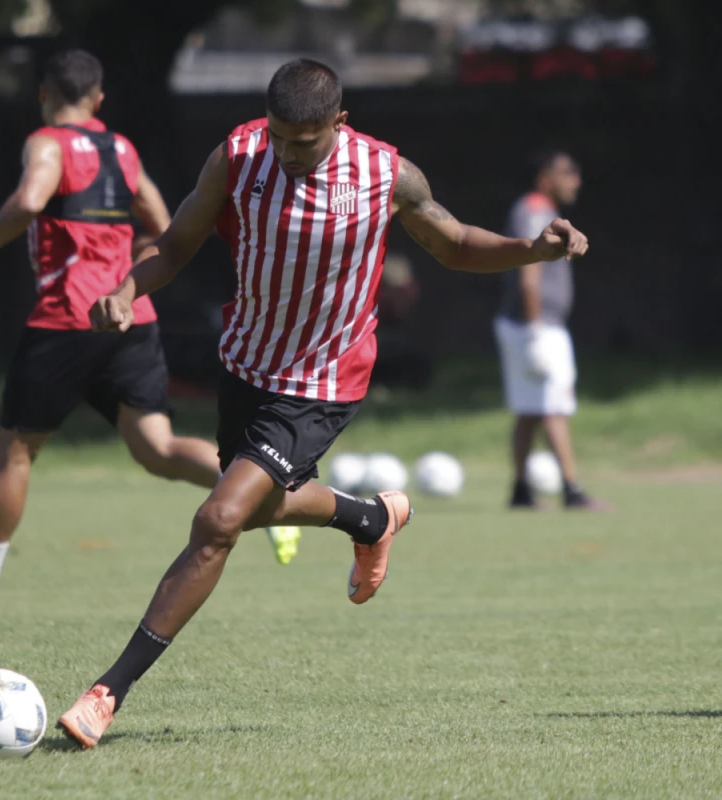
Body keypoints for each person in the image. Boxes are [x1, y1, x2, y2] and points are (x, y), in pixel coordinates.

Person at [56, 59, 589, 748]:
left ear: (340, 124)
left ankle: (107, 692)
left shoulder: (385, 174)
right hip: (248, 365)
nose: (288, 153)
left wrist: (531, 251)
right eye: (280, 137)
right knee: (261, 506)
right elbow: (179, 243)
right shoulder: (239, 155)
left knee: (219, 517)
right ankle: (371, 518)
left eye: (303, 143)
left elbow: (453, 244)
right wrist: (130, 289)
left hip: (324, 379)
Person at [0, 50, 302, 625]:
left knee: (14, 450)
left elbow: (28, 199)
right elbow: (162, 220)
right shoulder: (121, 150)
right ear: (98, 100)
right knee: (160, 449)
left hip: (66, 320)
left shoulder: (46, 142)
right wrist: (131, 266)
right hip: (130, 318)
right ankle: (260, 498)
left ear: (44, 92)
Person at [494, 152, 606, 510]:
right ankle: (572, 490)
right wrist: (536, 329)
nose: (576, 180)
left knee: (529, 410)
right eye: (568, 173)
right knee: (553, 407)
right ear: (545, 177)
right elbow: (530, 274)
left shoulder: (536, 209)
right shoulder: (536, 210)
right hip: (536, 326)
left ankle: (520, 490)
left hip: (530, 324)